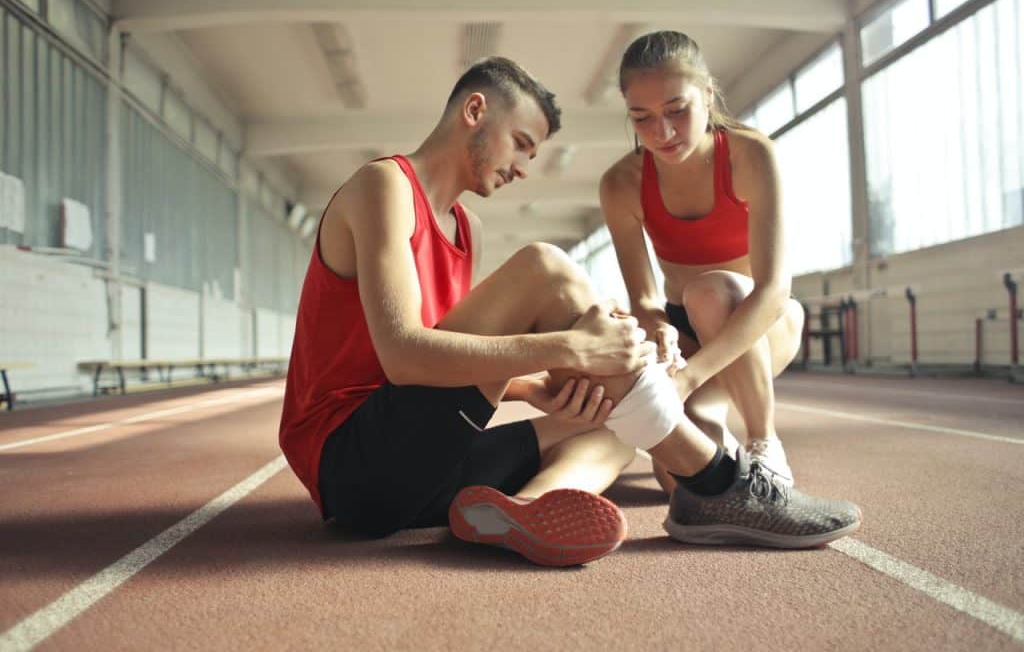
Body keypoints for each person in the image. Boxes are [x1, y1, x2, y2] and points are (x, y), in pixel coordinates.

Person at [279, 56, 860, 569]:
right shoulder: (384, 186)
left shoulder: (467, 228)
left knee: (611, 418)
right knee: (544, 267)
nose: (524, 168)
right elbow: (405, 358)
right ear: (475, 111)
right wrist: (568, 350)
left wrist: (538, 388)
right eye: (522, 143)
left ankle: (527, 509)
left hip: (416, 479)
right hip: (353, 465)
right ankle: (717, 481)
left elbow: (446, 367)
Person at [600, 30, 804, 490]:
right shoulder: (621, 184)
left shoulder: (752, 155)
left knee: (711, 291)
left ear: (708, 94)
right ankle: (713, 416)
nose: (662, 132)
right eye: (642, 118)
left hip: (762, 322)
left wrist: (689, 378)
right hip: (686, 332)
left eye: (677, 111)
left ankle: (763, 441)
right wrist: (657, 328)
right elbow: (646, 297)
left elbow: (773, 291)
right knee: (678, 481)